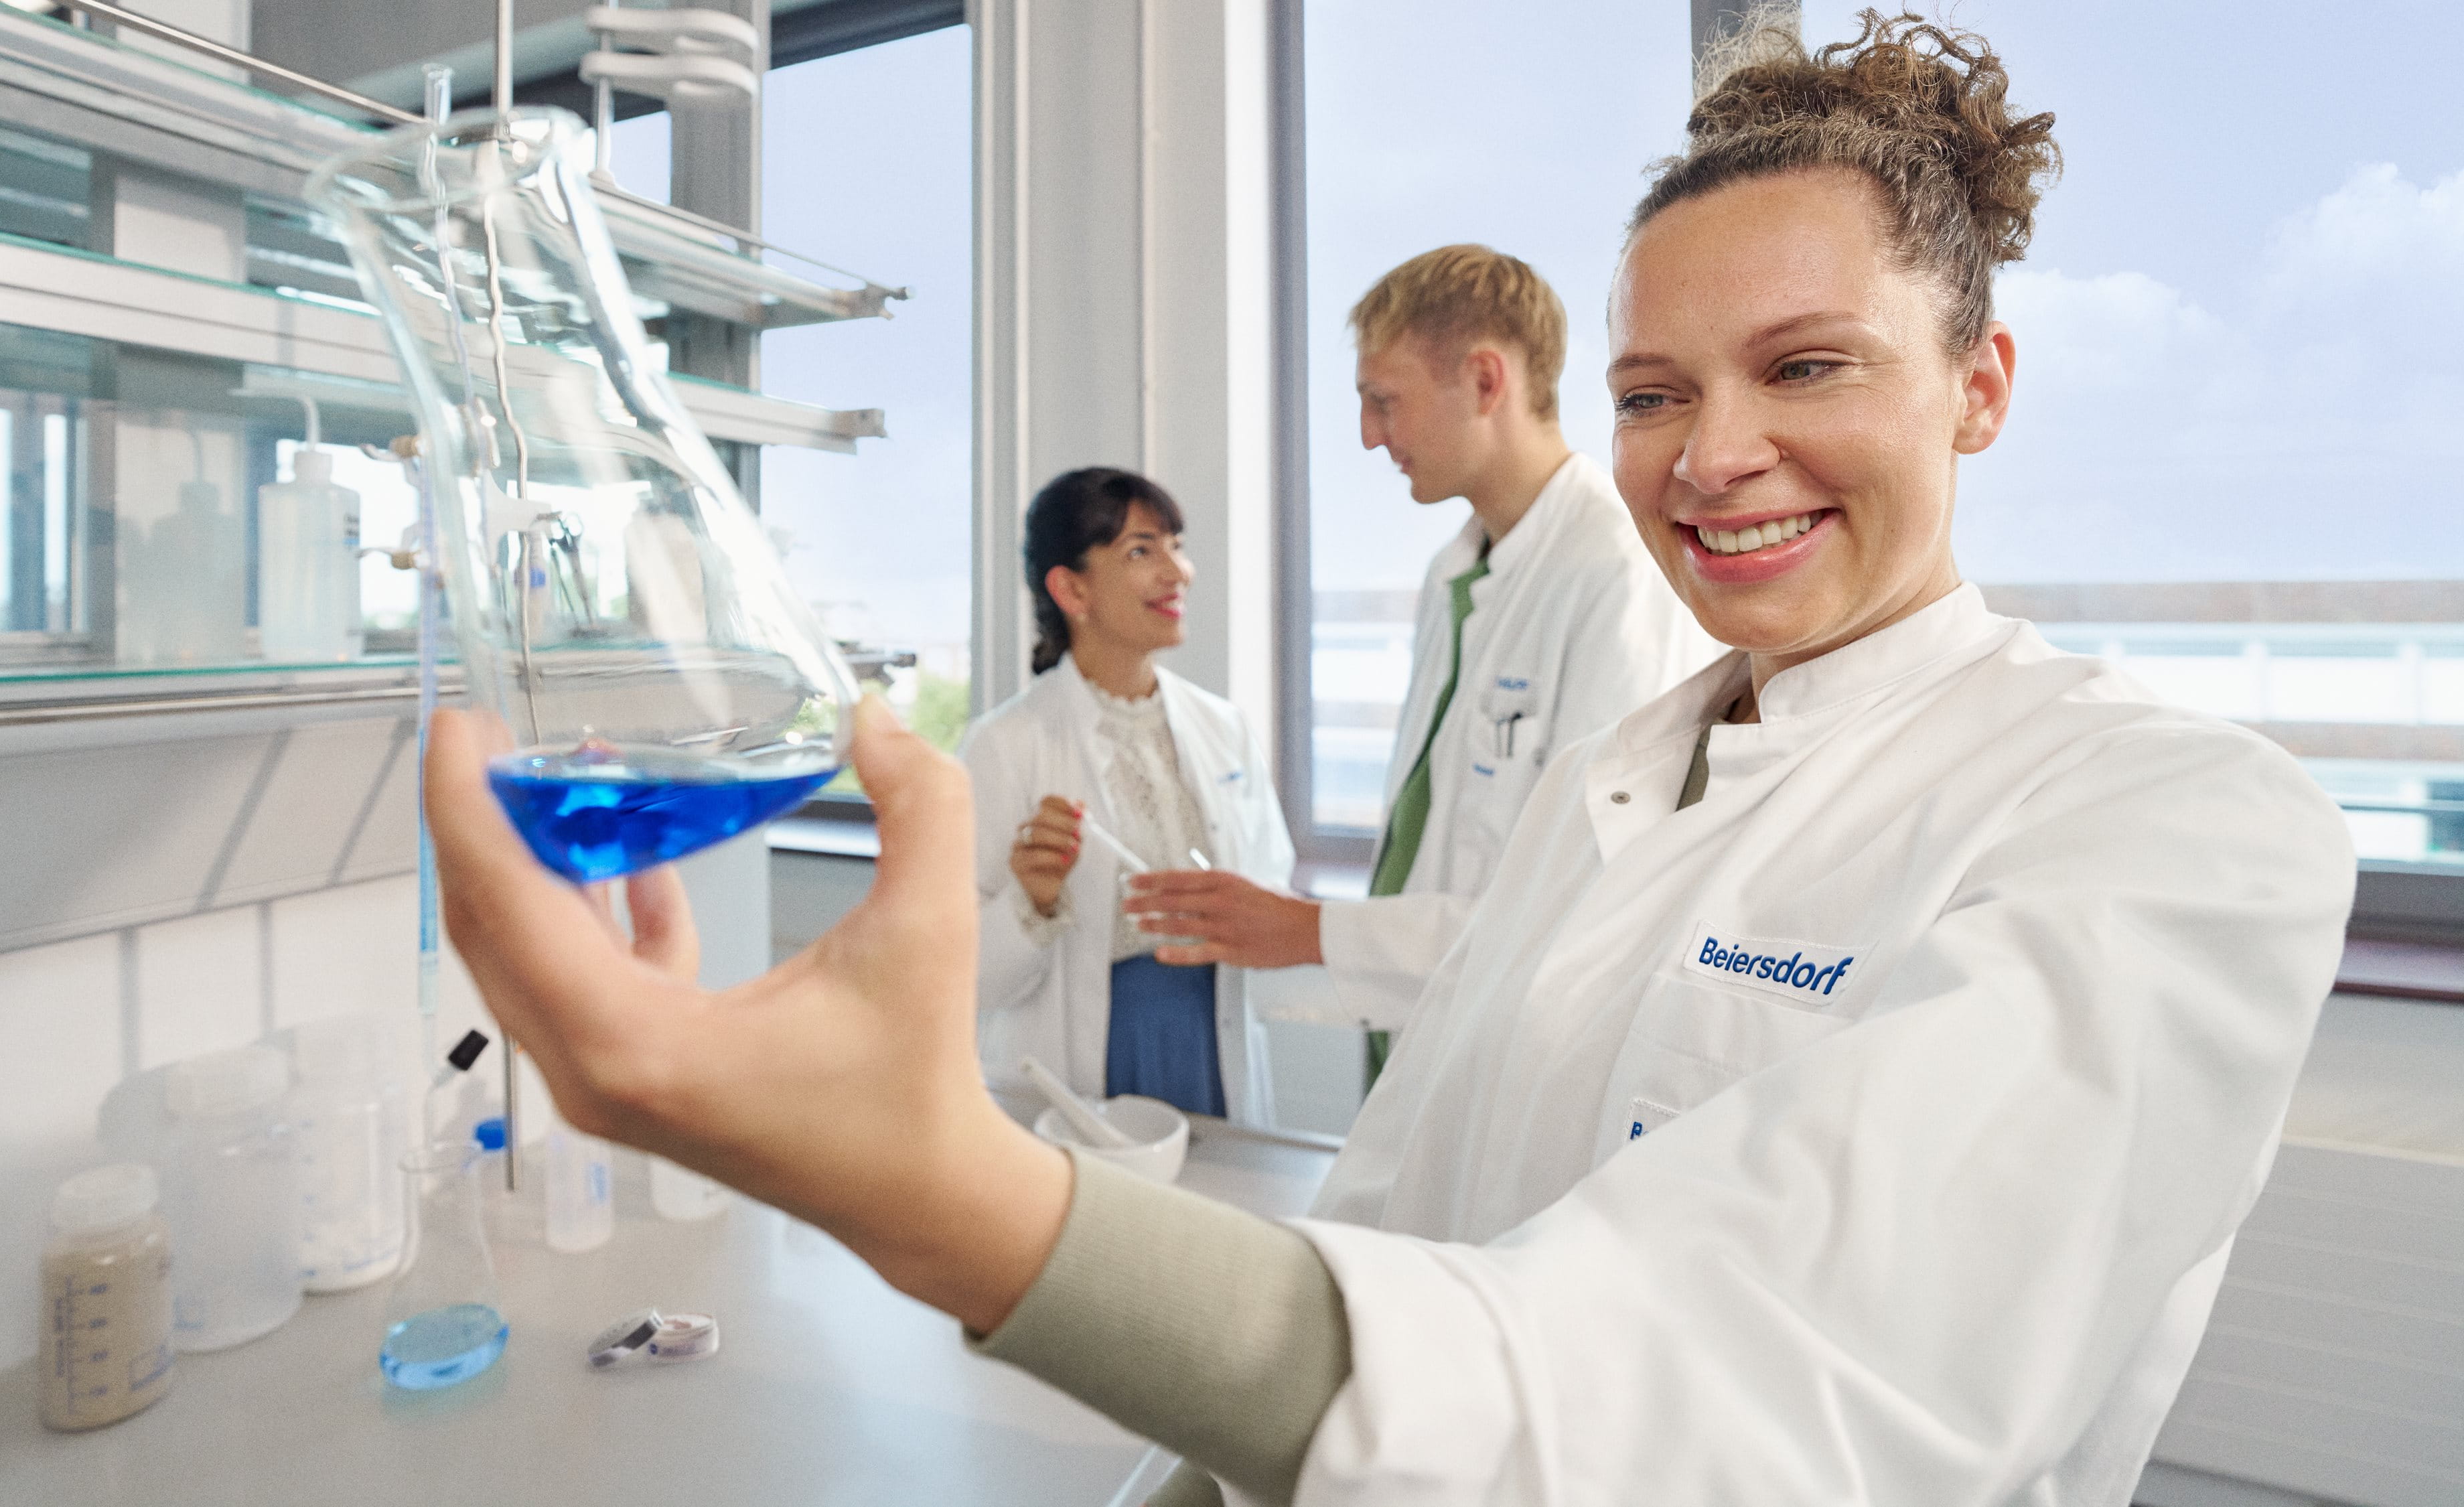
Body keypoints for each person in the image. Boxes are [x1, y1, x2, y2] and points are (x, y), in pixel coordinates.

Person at [420, 13, 2356, 1506]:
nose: (1708, 453)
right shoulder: (1634, 775)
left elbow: (1703, 1392)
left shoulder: (2179, 835)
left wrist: (940, 1195)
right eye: (1658, 393)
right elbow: (1406, 1222)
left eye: (1811, 365)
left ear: (1983, 388)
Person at [1120, 245, 1715, 1062]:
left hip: (1519, 1055)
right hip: (1426, 1028)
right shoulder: (1456, 573)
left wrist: (1309, 930)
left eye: (1383, 401)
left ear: (1482, 380)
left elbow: (1583, 905)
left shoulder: (1617, 574)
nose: (1370, 436)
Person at [959, 467, 1295, 1124]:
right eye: (1141, 551)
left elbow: (1270, 885)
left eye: (1176, 544)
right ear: (1070, 588)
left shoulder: (1222, 728)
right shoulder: (1004, 745)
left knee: (1218, 1217)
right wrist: (1033, 899)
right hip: (1086, 1054)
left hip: (1209, 1042)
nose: (1178, 572)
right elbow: (968, 978)